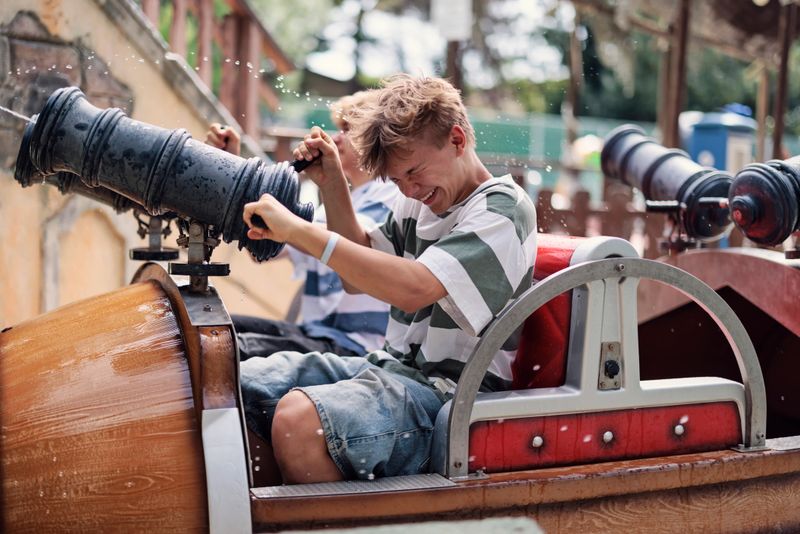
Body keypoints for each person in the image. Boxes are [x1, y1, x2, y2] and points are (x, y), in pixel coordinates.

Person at [239, 74, 537, 485]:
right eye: (398, 181)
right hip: (391, 370)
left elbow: (415, 289)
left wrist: (298, 230)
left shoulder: (503, 209)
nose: (410, 190)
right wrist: (333, 186)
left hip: (451, 396)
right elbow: (356, 278)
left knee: (301, 421)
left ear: (456, 139)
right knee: (241, 384)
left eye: (414, 172)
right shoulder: (419, 202)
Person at [205, 91, 398, 358]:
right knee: (209, 331)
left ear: (376, 137)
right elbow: (270, 244)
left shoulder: (391, 194)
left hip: (355, 347)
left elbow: (352, 241)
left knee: (218, 350)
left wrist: (286, 222)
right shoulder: (338, 203)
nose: (337, 137)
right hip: (313, 334)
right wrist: (232, 166)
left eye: (348, 129)